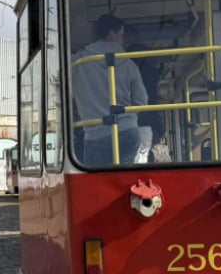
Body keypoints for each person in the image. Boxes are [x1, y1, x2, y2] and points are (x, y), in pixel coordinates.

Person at [72, 13, 148, 165]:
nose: (123, 39)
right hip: (127, 131)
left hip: (94, 134)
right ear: (111, 34)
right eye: (121, 34)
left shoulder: (77, 62)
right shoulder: (129, 65)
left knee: (97, 185)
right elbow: (141, 101)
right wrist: (129, 117)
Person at [124, 28, 167, 163]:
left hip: (123, 119)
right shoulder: (147, 68)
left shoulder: (122, 61)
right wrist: (159, 126)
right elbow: (150, 96)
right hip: (144, 119)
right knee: (142, 153)